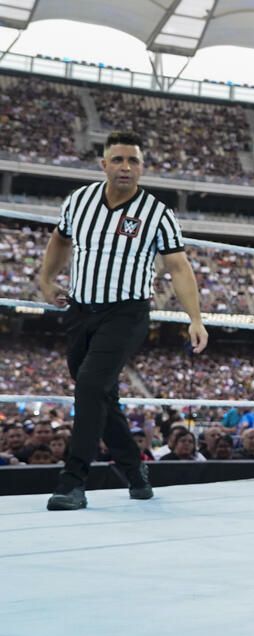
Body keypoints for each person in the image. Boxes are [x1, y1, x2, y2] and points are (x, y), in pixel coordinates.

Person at [38, 131, 208, 510]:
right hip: (80, 311)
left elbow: (178, 267)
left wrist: (194, 318)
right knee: (101, 394)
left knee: (90, 384)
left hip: (127, 313)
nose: (126, 167)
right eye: (118, 160)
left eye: (133, 161)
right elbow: (60, 240)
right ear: (104, 164)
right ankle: (135, 473)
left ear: (142, 168)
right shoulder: (79, 202)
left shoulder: (157, 213)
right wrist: (46, 280)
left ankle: (73, 481)